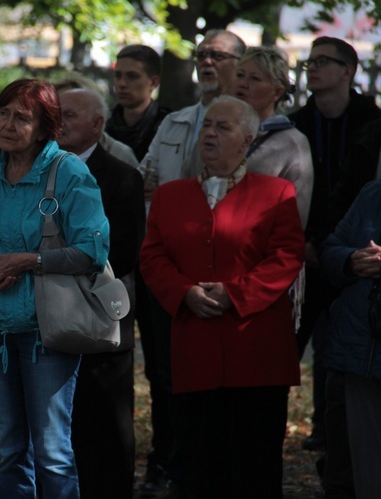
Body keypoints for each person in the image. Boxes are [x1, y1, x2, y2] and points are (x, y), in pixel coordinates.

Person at [0, 78, 110, 498]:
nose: (9, 124)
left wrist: (29, 261)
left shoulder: (69, 171)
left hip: (46, 329)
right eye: (3, 113)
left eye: (22, 117)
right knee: (7, 450)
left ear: (44, 127)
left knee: (52, 451)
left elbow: (94, 249)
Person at [140, 95, 304, 498]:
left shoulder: (276, 192)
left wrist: (236, 294)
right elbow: (153, 255)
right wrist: (184, 293)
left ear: (246, 139)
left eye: (223, 127)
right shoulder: (170, 195)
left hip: (256, 350)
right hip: (195, 347)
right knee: (200, 463)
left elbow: (287, 256)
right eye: (207, 125)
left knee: (255, 464)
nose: (210, 133)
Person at [137, 29, 246, 493]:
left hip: (225, 277)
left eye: (217, 55)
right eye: (201, 54)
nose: (206, 61)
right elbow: (147, 180)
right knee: (164, 374)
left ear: (239, 65)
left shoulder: (252, 124)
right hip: (168, 268)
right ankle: (169, 463)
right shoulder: (177, 120)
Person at [289, 40, 381, 482]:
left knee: (338, 351)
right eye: (309, 62)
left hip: (351, 254)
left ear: (349, 70)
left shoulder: (372, 123)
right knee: (293, 346)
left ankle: (332, 441)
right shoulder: (297, 125)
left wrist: (332, 246)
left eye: (323, 62)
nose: (313, 69)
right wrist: (306, 241)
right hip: (304, 252)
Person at [56, 87, 145, 498]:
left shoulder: (123, 176)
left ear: (97, 125)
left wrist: (55, 266)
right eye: (56, 114)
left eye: (70, 115)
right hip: (42, 314)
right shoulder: (35, 172)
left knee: (106, 421)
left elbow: (125, 250)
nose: (59, 123)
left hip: (100, 314)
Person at [184, 46, 314, 228]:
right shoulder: (212, 130)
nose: (243, 84)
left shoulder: (291, 143)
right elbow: (187, 184)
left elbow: (295, 218)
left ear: (277, 92)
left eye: (254, 78)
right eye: (240, 75)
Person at [321, 179, 381, 499]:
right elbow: (330, 249)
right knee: (359, 475)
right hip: (358, 355)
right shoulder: (372, 193)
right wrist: (351, 259)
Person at [53, 75, 139, 168]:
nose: (58, 121)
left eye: (69, 115)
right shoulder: (41, 152)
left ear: (96, 123)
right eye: (56, 112)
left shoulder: (120, 155)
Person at [106, 44, 170, 161]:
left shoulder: (169, 126)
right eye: (118, 76)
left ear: (153, 82)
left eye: (132, 76)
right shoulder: (103, 123)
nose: (122, 84)